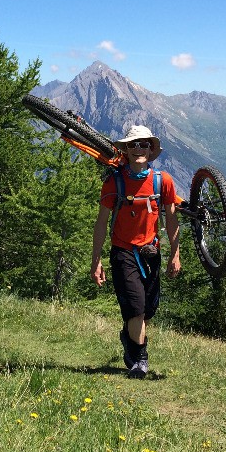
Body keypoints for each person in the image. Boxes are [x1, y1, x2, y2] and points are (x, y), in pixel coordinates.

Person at [91, 126, 181, 378]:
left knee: (148, 309)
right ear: (126, 150)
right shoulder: (114, 181)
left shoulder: (163, 181)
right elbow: (101, 223)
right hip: (123, 251)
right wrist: (96, 261)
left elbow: (172, 220)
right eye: (133, 145)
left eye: (143, 144)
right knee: (137, 307)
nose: (138, 149)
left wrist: (175, 253)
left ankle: (128, 337)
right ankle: (140, 360)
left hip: (151, 252)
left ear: (151, 149)